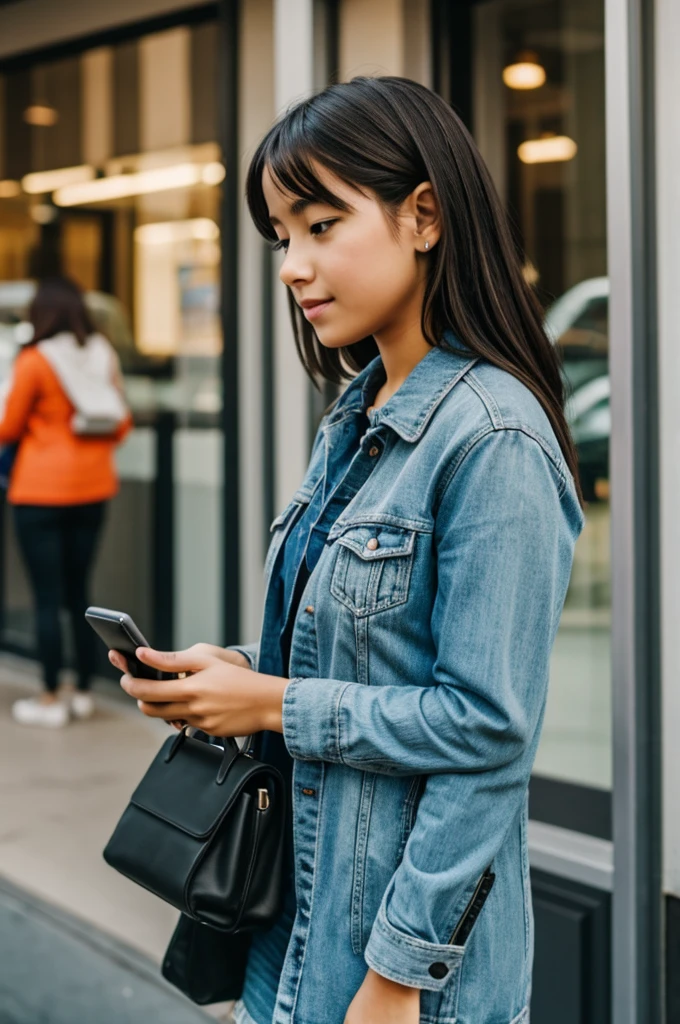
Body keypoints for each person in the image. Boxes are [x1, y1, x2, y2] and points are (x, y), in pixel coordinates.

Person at [111, 77, 584, 1024]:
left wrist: (399, 975)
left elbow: (486, 731)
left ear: (424, 216)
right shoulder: (357, 415)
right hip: (291, 931)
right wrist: (234, 677)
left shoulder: (492, 436)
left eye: (322, 225)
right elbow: (361, 664)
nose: (292, 264)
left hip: (401, 971)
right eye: (283, 235)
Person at [0, 276, 131, 728]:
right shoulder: (101, 353)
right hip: (92, 489)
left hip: (39, 492)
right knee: (79, 594)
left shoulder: (35, 359)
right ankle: (79, 690)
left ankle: (51, 697)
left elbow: (8, 427)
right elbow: (119, 424)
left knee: (46, 597)